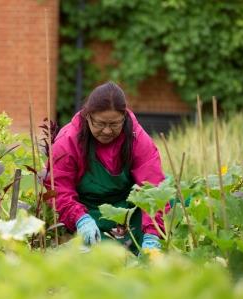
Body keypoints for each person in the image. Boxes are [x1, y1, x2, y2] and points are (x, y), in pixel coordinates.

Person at [47, 82, 165, 253]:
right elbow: (58, 188)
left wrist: (153, 234)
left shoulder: (136, 138)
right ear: (88, 116)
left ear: (124, 118)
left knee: (170, 190)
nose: (108, 131)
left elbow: (153, 187)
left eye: (115, 124)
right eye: (101, 124)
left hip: (128, 211)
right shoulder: (68, 141)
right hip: (89, 211)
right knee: (99, 255)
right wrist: (80, 219)